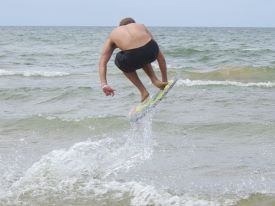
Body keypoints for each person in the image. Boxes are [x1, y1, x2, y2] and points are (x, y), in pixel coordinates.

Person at [99, 17, 168, 102]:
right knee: (142, 52)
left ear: (120, 27)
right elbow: (160, 57)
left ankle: (143, 91)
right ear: (134, 23)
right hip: (151, 50)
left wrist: (104, 84)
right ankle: (156, 80)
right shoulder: (140, 26)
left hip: (132, 57)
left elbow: (102, 62)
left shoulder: (114, 33)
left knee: (119, 59)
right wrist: (165, 80)